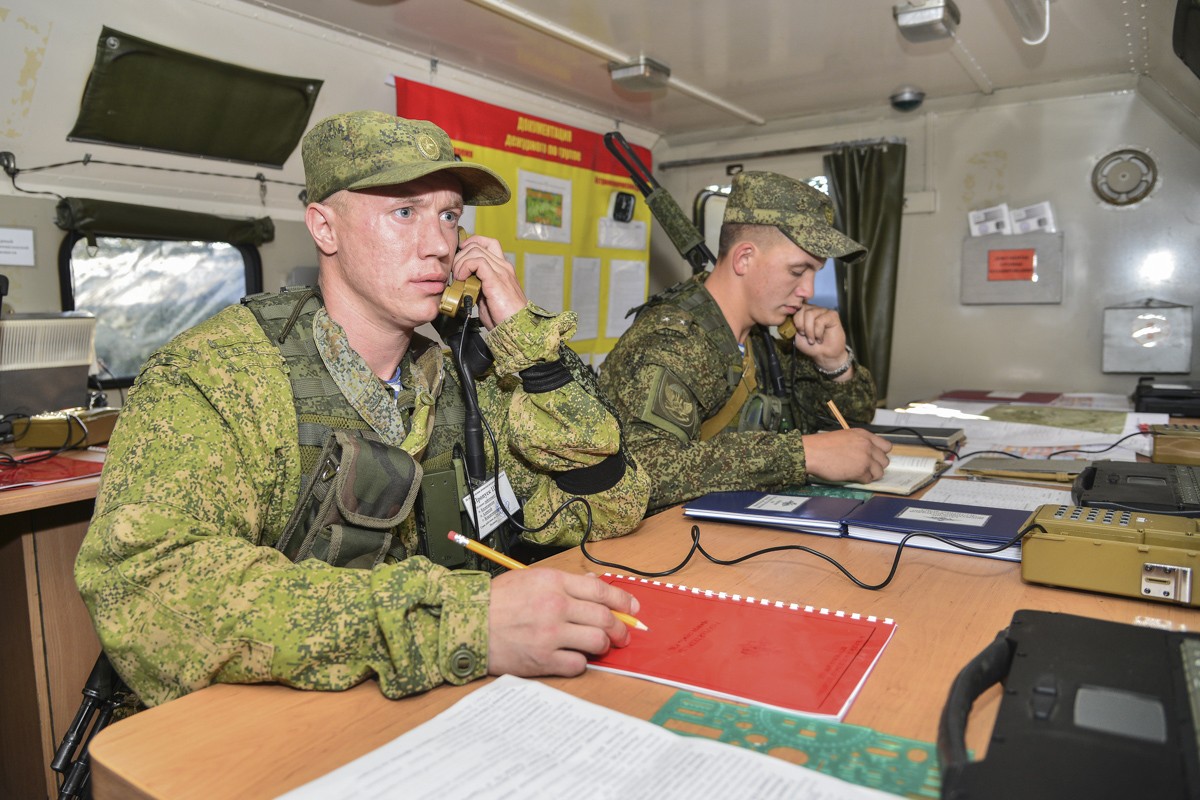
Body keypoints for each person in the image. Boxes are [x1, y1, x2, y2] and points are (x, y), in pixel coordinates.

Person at [75, 110, 651, 707]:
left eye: (449, 215)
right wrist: (458, 621)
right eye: (404, 212)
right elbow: (150, 590)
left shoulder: (459, 376)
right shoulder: (219, 374)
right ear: (325, 229)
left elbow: (611, 501)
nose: (438, 245)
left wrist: (530, 348)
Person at [599, 170, 891, 514]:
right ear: (744, 258)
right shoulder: (673, 342)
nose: (808, 291)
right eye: (798, 271)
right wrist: (803, 454)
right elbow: (643, 471)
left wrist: (835, 363)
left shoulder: (762, 338)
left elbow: (851, 424)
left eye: (815, 273)